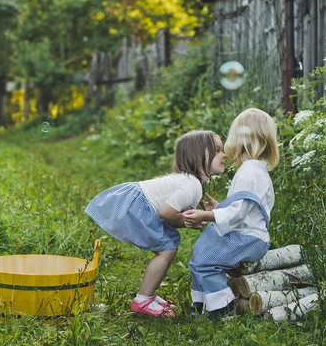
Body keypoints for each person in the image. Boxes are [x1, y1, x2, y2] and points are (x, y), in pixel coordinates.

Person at [85, 130, 226, 317]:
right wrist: (188, 221)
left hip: (140, 204)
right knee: (167, 249)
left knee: (168, 245)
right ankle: (143, 300)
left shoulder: (191, 182)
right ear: (198, 156)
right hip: (138, 208)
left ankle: (148, 295)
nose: (223, 155)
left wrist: (196, 216)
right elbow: (166, 213)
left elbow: (170, 211)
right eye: (217, 151)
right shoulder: (192, 185)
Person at [182, 108, 279, 318]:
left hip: (246, 237)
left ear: (242, 139)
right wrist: (219, 210)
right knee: (199, 257)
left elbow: (239, 214)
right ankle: (201, 304)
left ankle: (223, 308)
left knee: (205, 262)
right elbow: (244, 209)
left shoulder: (249, 173)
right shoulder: (255, 171)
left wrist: (207, 216)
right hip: (248, 235)